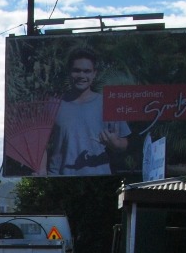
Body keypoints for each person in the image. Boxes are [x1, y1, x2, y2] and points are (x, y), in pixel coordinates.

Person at [45, 46, 129, 176]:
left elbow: (124, 142)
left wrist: (115, 143)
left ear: (94, 73)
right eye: (76, 71)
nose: (81, 76)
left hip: (100, 181)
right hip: (59, 180)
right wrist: (41, 170)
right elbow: (40, 145)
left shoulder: (108, 103)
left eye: (87, 71)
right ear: (69, 72)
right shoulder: (53, 105)